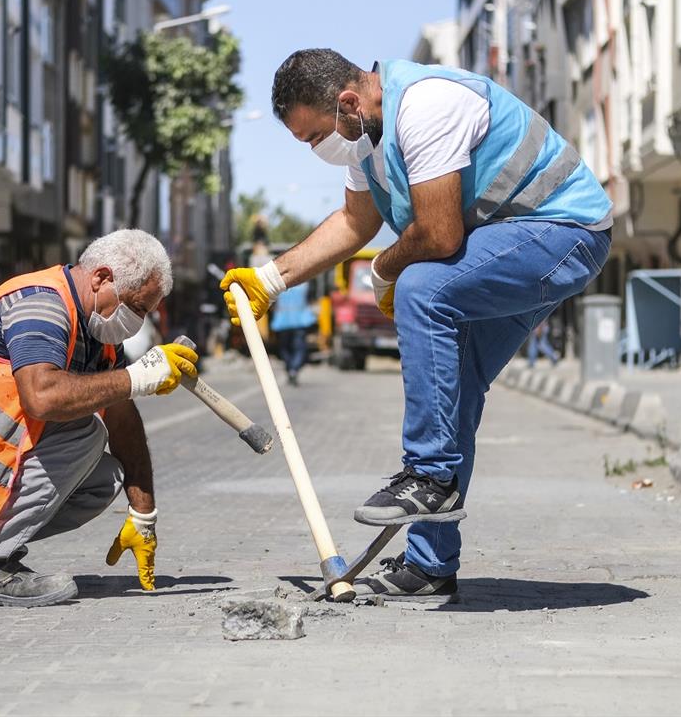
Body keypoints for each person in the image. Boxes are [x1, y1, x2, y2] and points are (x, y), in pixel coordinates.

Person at [221, 50, 611, 604]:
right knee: (456, 384)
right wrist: (269, 278)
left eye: (313, 137)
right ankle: (430, 564)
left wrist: (382, 271)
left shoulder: (426, 106)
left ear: (349, 103)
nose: (315, 152)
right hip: (512, 241)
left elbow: (440, 235)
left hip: (564, 231)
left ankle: (429, 479)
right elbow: (356, 221)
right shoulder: (366, 140)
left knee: (422, 286)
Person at [0, 229, 198, 608]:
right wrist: (137, 378)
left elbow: (122, 418)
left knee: (103, 480)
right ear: (102, 278)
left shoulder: (98, 333)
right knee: (86, 434)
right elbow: (42, 397)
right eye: (136, 308)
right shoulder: (41, 304)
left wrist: (143, 514)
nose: (137, 322)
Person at [270, 283, 317, 385]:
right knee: (299, 348)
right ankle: (294, 369)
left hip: (283, 322)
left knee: (284, 348)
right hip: (299, 321)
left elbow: (272, 302)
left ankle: (290, 367)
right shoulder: (305, 285)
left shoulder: (279, 284)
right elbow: (310, 300)